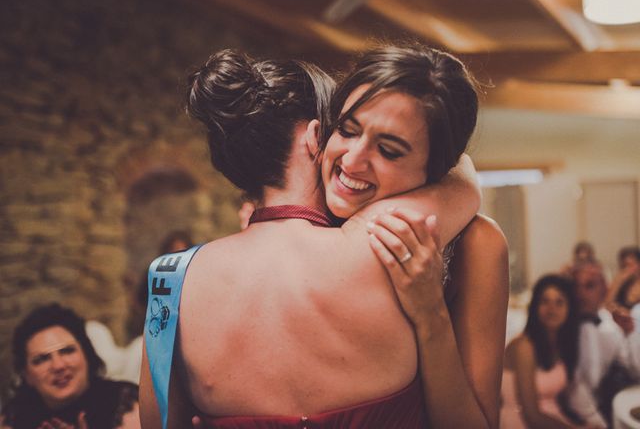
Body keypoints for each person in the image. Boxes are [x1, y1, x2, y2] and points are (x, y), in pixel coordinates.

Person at [140, 46, 507, 428]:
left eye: (389, 150)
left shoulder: (173, 277)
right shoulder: (360, 245)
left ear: (437, 168)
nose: (351, 160)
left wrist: (432, 318)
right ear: (319, 136)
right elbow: (464, 181)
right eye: (345, 130)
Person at [0, 303, 140, 429]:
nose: (58, 366)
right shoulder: (15, 416)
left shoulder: (123, 403)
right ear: (26, 374)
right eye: (41, 359)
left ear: (87, 355)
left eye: (67, 351)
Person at [501, 274, 580, 429]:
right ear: (534, 306)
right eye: (545, 301)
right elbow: (532, 416)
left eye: (559, 302)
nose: (552, 309)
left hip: (552, 417)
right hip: (521, 421)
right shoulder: (524, 346)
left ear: (569, 308)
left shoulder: (561, 342)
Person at [566, 261, 637, 428]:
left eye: (589, 286)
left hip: (600, 410)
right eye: (576, 286)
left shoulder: (611, 327)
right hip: (565, 413)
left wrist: (629, 333)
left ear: (604, 290)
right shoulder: (561, 328)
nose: (580, 293)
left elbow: (634, 369)